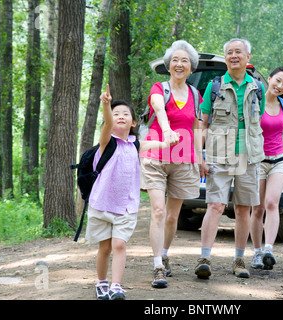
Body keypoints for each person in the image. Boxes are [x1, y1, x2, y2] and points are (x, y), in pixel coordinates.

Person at [87, 84, 178, 300]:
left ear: (134, 122)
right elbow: (108, 122)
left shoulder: (135, 144)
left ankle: (116, 285)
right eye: (116, 114)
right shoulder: (107, 142)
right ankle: (101, 282)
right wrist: (106, 104)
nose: (120, 117)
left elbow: (153, 144)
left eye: (125, 114)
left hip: (126, 206)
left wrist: (168, 140)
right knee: (105, 248)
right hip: (102, 204)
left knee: (119, 244)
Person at [195, 38, 266, 279]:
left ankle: (239, 260)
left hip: (249, 156)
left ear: (248, 57)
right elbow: (202, 123)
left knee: (243, 209)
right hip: (219, 155)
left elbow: (258, 119)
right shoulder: (214, 86)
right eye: (229, 52)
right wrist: (199, 156)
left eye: (238, 52)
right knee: (215, 205)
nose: (233, 56)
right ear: (225, 58)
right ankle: (204, 258)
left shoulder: (257, 88)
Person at [140, 40, 203, 288]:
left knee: (172, 215)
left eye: (184, 61)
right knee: (158, 210)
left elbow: (197, 128)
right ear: (168, 65)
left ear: (191, 68)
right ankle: (157, 266)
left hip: (183, 158)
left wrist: (200, 157)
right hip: (156, 156)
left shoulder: (195, 95)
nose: (179, 64)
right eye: (175, 60)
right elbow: (159, 109)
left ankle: (164, 254)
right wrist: (166, 130)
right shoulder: (160, 88)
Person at [249, 67, 283, 271]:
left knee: (272, 202)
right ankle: (256, 252)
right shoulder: (256, 102)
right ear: (269, 79)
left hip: (279, 160)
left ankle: (268, 250)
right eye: (278, 81)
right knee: (257, 208)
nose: (280, 86)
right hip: (258, 160)